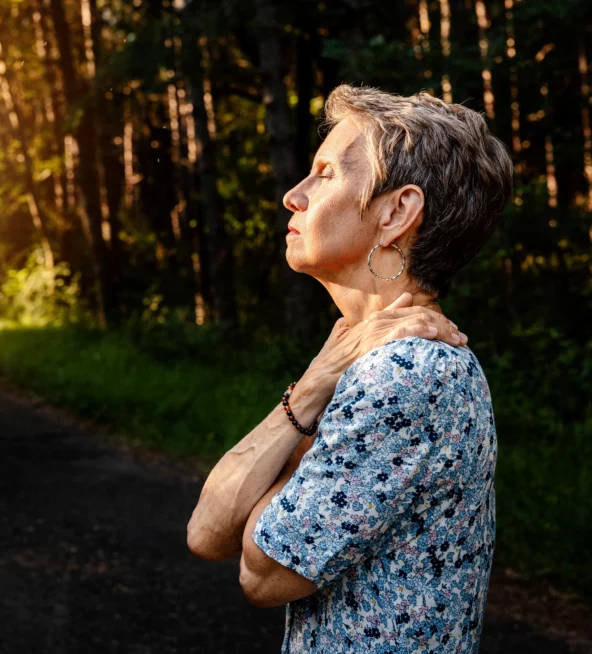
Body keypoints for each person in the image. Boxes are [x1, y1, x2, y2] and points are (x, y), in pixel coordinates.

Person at [186, 84, 512, 652]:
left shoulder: (410, 373)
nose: (293, 195)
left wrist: (299, 440)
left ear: (396, 212)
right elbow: (205, 533)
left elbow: (263, 573)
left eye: (326, 173)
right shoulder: (359, 359)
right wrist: (315, 382)